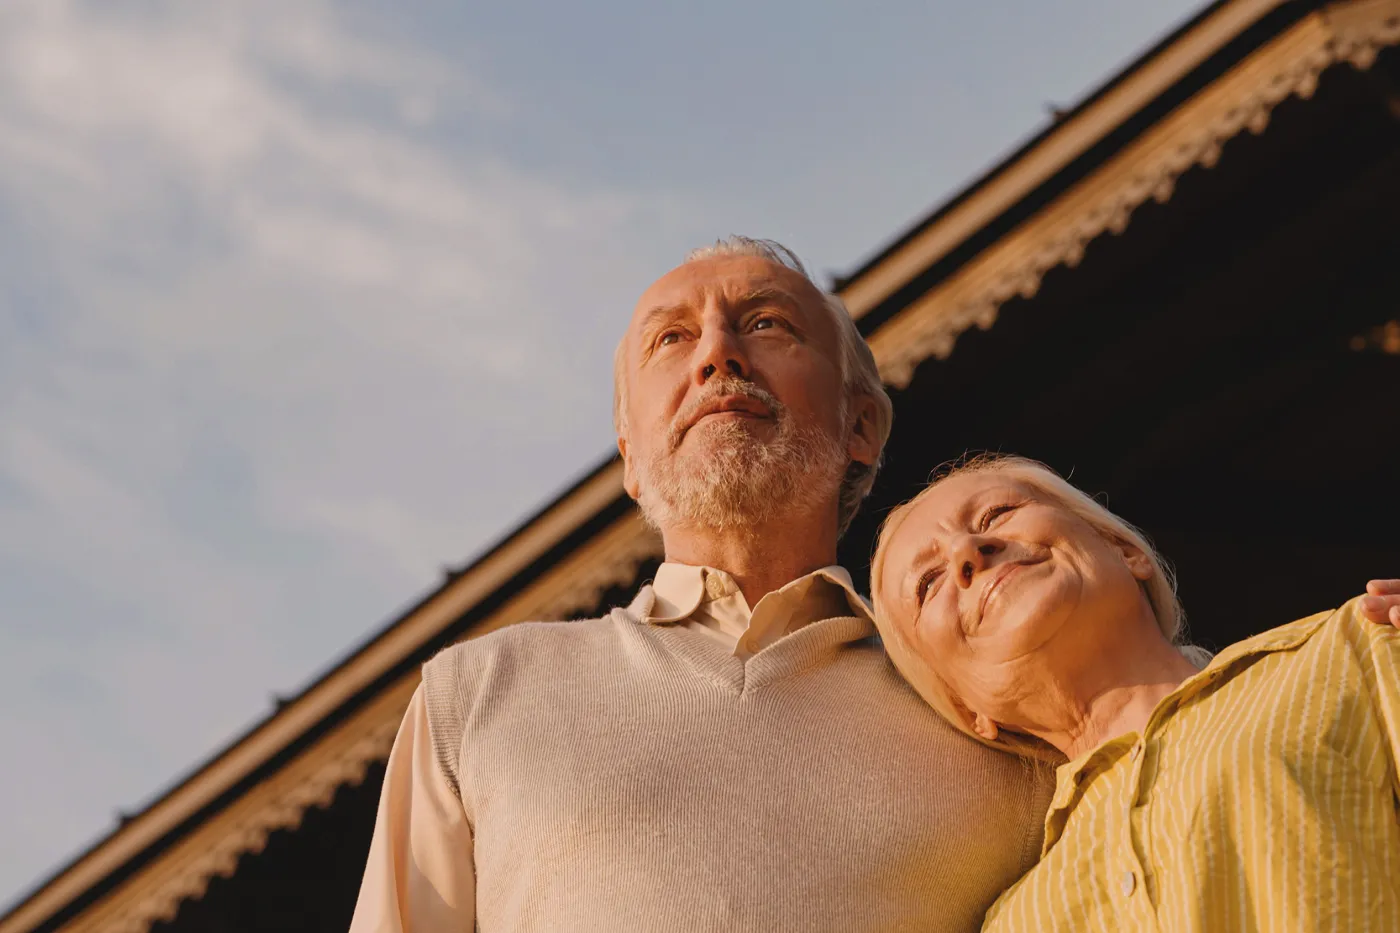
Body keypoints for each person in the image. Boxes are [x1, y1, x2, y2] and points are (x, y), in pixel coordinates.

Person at [347, 240, 1056, 933]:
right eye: (671, 339)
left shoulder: (984, 706)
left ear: (861, 424)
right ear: (630, 456)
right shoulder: (475, 694)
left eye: (766, 324)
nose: (718, 355)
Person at [869, 453, 1400, 932]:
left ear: (1125, 550)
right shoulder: (1015, 923)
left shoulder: (1358, 649)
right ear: (966, 708)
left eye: (997, 514)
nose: (969, 550)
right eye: (928, 582)